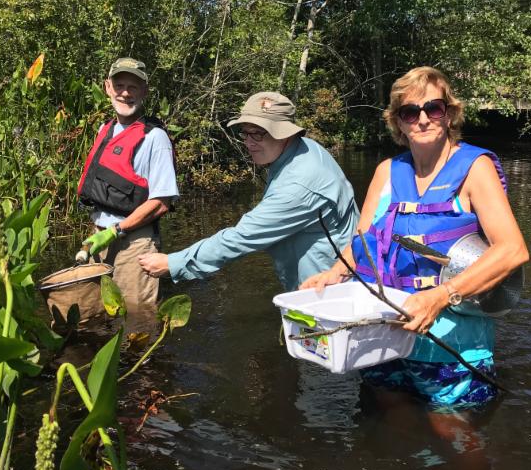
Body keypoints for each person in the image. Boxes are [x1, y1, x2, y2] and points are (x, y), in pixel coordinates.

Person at [302, 66, 529, 411]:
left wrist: (439, 297)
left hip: (449, 338)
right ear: (398, 122)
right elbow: (365, 239)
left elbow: (513, 250)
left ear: (450, 114)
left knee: (453, 431)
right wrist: (334, 272)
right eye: (410, 112)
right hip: (384, 332)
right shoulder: (387, 171)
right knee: (392, 413)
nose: (422, 119)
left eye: (433, 108)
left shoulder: (474, 167)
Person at [138, 91, 359, 292]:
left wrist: (173, 263)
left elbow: (241, 238)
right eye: (245, 133)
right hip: (328, 280)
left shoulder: (298, 186)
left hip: (329, 291)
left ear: (285, 134)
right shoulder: (305, 149)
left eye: (259, 134)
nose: (249, 143)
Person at [74, 57, 178, 329]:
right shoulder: (104, 129)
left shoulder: (156, 138)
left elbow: (161, 203)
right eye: (119, 84)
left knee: (138, 319)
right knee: (102, 316)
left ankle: (146, 371)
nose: (125, 93)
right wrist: (102, 233)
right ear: (107, 87)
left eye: (133, 86)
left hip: (135, 243)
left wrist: (115, 230)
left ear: (144, 91)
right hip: (100, 238)